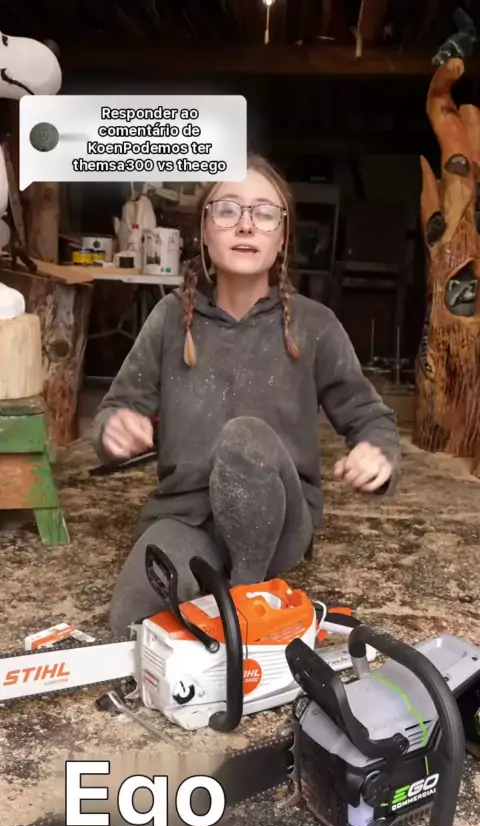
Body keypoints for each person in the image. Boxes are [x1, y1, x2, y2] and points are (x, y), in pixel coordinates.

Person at [92, 153, 401, 638]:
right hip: (186, 515)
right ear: (204, 230)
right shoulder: (170, 320)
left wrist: (377, 451)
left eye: (264, 213)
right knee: (133, 622)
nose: (245, 224)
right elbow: (117, 406)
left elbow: (369, 416)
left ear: (282, 237)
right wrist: (114, 428)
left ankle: (245, 598)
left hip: (278, 523)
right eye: (227, 209)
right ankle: (216, 602)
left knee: (244, 440)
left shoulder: (315, 325)